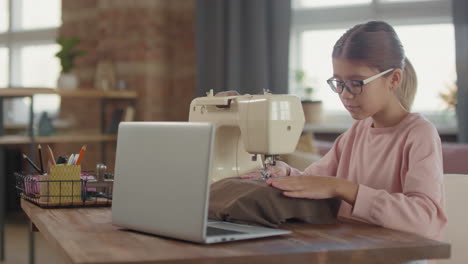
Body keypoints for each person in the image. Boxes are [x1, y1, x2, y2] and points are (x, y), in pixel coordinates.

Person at [243, 21, 447, 241]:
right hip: (356, 249)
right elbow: (316, 183)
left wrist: (344, 188)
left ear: (394, 79)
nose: (345, 94)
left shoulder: (419, 134)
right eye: (338, 83)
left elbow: (426, 220)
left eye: (356, 83)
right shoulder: (355, 133)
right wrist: (288, 174)